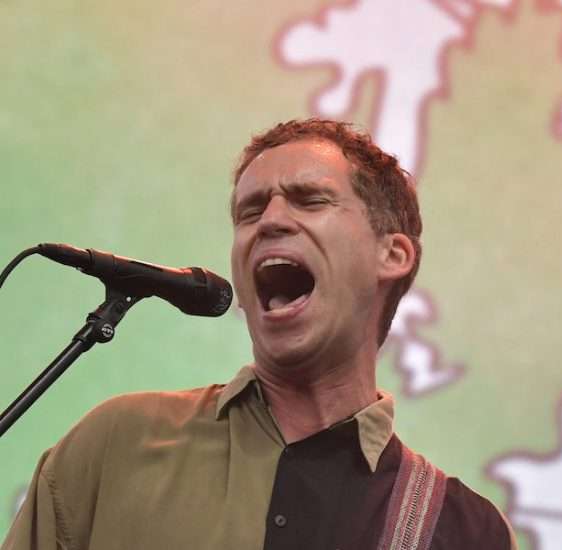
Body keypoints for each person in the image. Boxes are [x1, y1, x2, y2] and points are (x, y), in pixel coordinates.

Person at [2, 119, 516, 550]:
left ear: (393, 255)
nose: (268, 221)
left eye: (309, 200)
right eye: (249, 211)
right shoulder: (116, 443)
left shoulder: (462, 529)